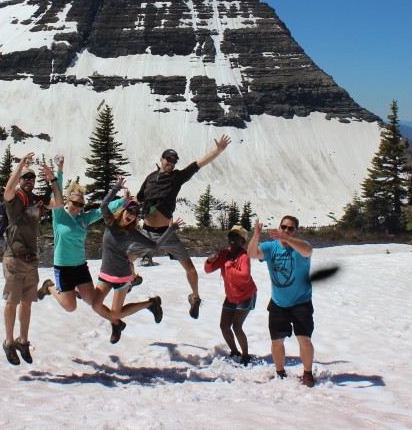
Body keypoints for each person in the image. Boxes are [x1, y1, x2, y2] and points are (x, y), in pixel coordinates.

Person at [134, 135, 232, 318]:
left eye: (174, 160)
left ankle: (195, 298)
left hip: (167, 233)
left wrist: (218, 151)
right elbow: (138, 199)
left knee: (190, 268)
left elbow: (198, 165)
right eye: (168, 159)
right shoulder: (150, 177)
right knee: (125, 259)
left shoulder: (177, 177)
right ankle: (132, 279)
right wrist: (124, 205)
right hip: (146, 232)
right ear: (161, 160)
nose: (171, 163)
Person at [93, 177, 180, 344]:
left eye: (134, 214)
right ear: (123, 210)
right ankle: (117, 324)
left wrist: (170, 230)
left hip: (122, 276)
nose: (131, 216)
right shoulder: (110, 222)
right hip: (105, 273)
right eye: (129, 211)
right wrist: (116, 188)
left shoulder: (132, 233)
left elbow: (154, 246)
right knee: (96, 305)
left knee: (115, 312)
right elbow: (103, 205)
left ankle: (150, 304)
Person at [36, 155, 125, 312]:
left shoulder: (84, 218)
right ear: (68, 202)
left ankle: (75, 290)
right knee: (70, 307)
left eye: (81, 205)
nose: (77, 207)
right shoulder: (59, 214)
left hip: (80, 266)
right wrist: (59, 170)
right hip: (63, 268)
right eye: (75, 203)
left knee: (92, 301)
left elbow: (102, 210)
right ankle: (49, 287)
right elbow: (57, 193)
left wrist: (123, 201)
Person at [0, 152, 62, 366]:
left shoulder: (37, 202)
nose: (28, 181)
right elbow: (8, 189)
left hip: (31, 259)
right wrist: (20, 166)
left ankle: (23, 340)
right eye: (25, 178)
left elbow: (60, 203)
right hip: (14, 257)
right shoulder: (15, 200)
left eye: (31, 178)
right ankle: (9, 342)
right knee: (12, 301)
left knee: (27, 301)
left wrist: (53, 179)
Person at [246, 216, 317, 387]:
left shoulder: (300, 247)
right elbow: (252, 254)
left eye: (290, 228)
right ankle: (280, 372)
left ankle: (307, 373)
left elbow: (308, 250)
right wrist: (256, 235)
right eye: (283, 227)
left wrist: (288, 239)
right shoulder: (271, 247)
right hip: (279, 302)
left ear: (295, 231)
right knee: (277, 341)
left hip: (301, 302)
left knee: (304, 339)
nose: (286, 230)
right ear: (279, 228)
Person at [204, 225, 257, 365]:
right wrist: (210, 261)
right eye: (231, 236)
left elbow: (245, 276)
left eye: (236, 237)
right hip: (231, 296)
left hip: (246, 295)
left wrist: (229, 267)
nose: (232, 239)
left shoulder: (244, 256)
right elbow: (209, 270)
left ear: (242, 241)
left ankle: (245, 355)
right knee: (224, 325)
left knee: (237, 326)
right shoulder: (225, 253)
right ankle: (234, 351)